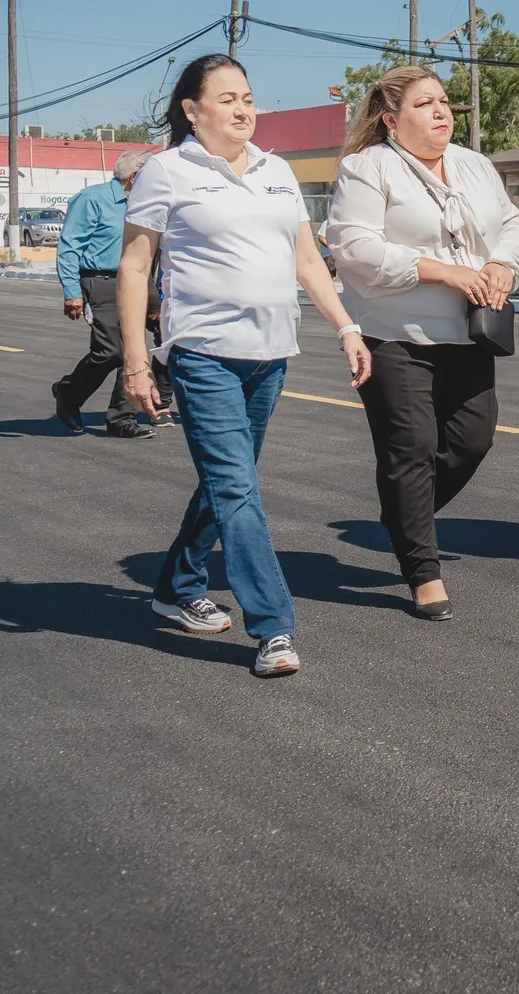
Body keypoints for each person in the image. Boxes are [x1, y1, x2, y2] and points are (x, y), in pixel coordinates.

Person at [118, 54, 372, 678]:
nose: (242, 109)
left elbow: (306, 260)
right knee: (237, 488)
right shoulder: (167, 172)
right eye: (227, 98)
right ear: (192, 109)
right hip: (203, 353)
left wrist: (347, 327)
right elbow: (135, 266)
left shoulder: (276, 170)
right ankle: (273, 629)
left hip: (270, 356)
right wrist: (135, 361)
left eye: (248, 98)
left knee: (226, 482)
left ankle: (176, 586)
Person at [325, 65, 519, 621]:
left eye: (443, 101)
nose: (441, 111)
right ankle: (423, 572)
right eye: (424, 104)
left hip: (469, 331)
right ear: (392, 121)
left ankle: (403, 511)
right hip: (394, 334)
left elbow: (512, 224)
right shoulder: (367, 167)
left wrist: (501, 263)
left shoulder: (474, 164)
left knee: (473, 439)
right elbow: (355, 248)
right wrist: (442, 271)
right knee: (410, 448)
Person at [52, 149, 172, 439]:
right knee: (112, 351)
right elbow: (69, 247)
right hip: (102, 280)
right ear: (135, 176)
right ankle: (68, 392)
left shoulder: (146, 204)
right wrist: (72, 291)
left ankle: (122, 418)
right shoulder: (92, 199)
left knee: (161, 337)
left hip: (140, 280)